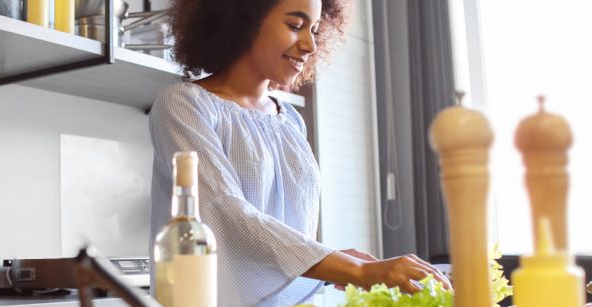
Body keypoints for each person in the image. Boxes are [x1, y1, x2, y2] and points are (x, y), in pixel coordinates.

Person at [148, 0, 452, 305]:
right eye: (295, 26)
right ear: (242, 20)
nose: (310, 45)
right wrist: (356, 269)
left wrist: (335, 264)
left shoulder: (289, 120)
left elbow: (284, 229)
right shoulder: (183, 105)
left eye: (316, 30)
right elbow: (225, 213)